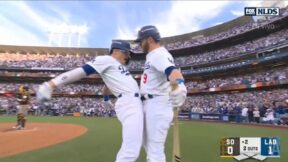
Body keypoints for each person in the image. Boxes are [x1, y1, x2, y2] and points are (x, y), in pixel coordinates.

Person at [36, 40, 143, 162]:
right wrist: (51, 84)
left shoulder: (116, 66)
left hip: (133, 102)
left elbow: (107, 85)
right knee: (131, 151)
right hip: (129, 102)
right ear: (117, 51)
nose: (128, 56)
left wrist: (106, 98)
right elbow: (81, 72)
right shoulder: (106, 59)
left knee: (134, 147)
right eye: (127, 53)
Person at [134, 25, 187, 162]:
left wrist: (180, 86)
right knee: (149, 148)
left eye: (141, 41)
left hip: (157, 105)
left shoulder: (159, 54)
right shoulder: (152, 56)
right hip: (150, 104)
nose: (140, 44)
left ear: (150, 39)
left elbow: (173, 72)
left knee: (155, 152)